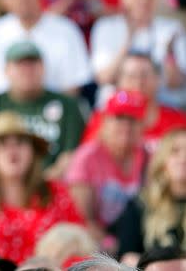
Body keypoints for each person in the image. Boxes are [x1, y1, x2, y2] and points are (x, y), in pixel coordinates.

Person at [0, 111, 83, 264]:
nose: (12, 151)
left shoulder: (57, 193)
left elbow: (80, 248)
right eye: (2, 144)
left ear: (33, 151)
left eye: (20, 142)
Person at [0, 40, 86, 169]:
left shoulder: (67, 105)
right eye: (20, 64)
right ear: (6, 70)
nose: (27, 70)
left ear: (43, 67)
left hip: (53, 183)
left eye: (32, 64)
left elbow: (71, 156)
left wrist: (44, 182)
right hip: (2, 183)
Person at [91, 0, 186, 108]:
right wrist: (128, 40)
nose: (144, 1)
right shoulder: (106, 26)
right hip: (118, 105)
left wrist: (170, 55)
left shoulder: (172, 29)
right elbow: (104, 78)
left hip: (162, 104)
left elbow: (175, 83)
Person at [66, 90, 148, 245]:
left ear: (142, 125)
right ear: (104, 121)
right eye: (119, 118)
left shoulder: (147, 156)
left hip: (136, 238)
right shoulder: (86, 158)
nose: (126, 126)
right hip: (96, 242)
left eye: (132, 119)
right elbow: (83, 220)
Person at [81, 52, 186, 152]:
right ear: (119, 82)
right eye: (131, 76)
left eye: (145, 75)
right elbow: (87, 158)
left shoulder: (179, 121)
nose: (138, 82)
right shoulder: (103, 120)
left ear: (158, 79)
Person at [113, 129, 186, 258]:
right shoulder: (140, 204)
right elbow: (126, 257)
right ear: (163, 160)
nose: (183, 158)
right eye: (175, 151)